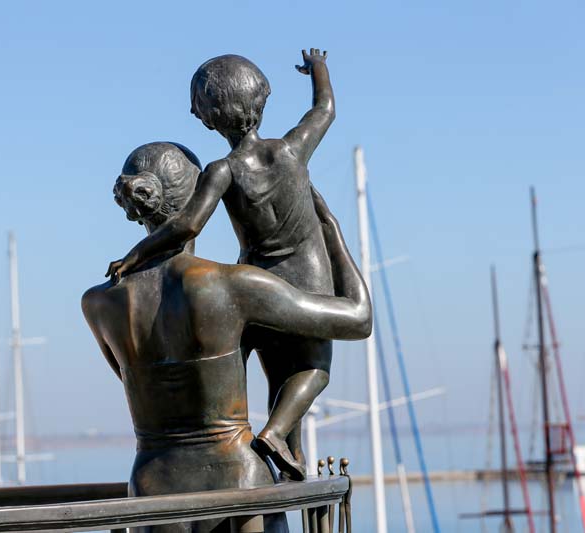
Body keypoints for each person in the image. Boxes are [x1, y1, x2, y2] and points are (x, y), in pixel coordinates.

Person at [83, 142, 370, 532]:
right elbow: (358, 319)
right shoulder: (233, 286)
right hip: (238, 487)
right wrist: (330, 232)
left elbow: (133, 378)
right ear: (203, 200)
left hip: (151, 487)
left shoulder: (98, 303)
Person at [106, 49, 344, 480]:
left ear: (209, 119)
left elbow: (187, 224)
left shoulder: (221, 170)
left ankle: (290, 456)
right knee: (314, 369)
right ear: (261, 99)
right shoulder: (292, 149)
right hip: (308, 277)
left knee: (275, 375)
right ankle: (276, 433)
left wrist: (137, 254)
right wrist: (318, 68)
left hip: (257, 278)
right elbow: (324, 109)